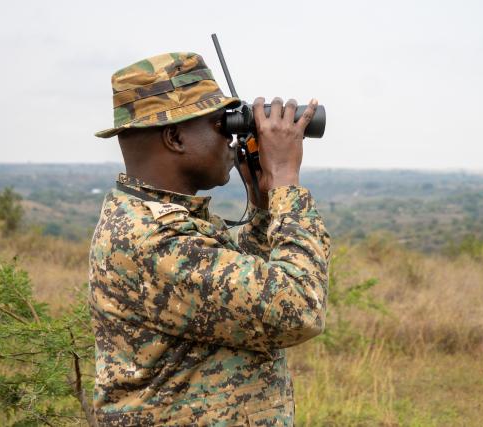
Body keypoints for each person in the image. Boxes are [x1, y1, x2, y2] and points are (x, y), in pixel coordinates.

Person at [89, 52, 331, 426]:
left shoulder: (165, 219)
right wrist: (285, 177)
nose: (233, 141)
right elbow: (297, 308)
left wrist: (265, 204)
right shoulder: (153, 239)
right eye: (221, 126)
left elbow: (243, 290)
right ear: (174, 137)